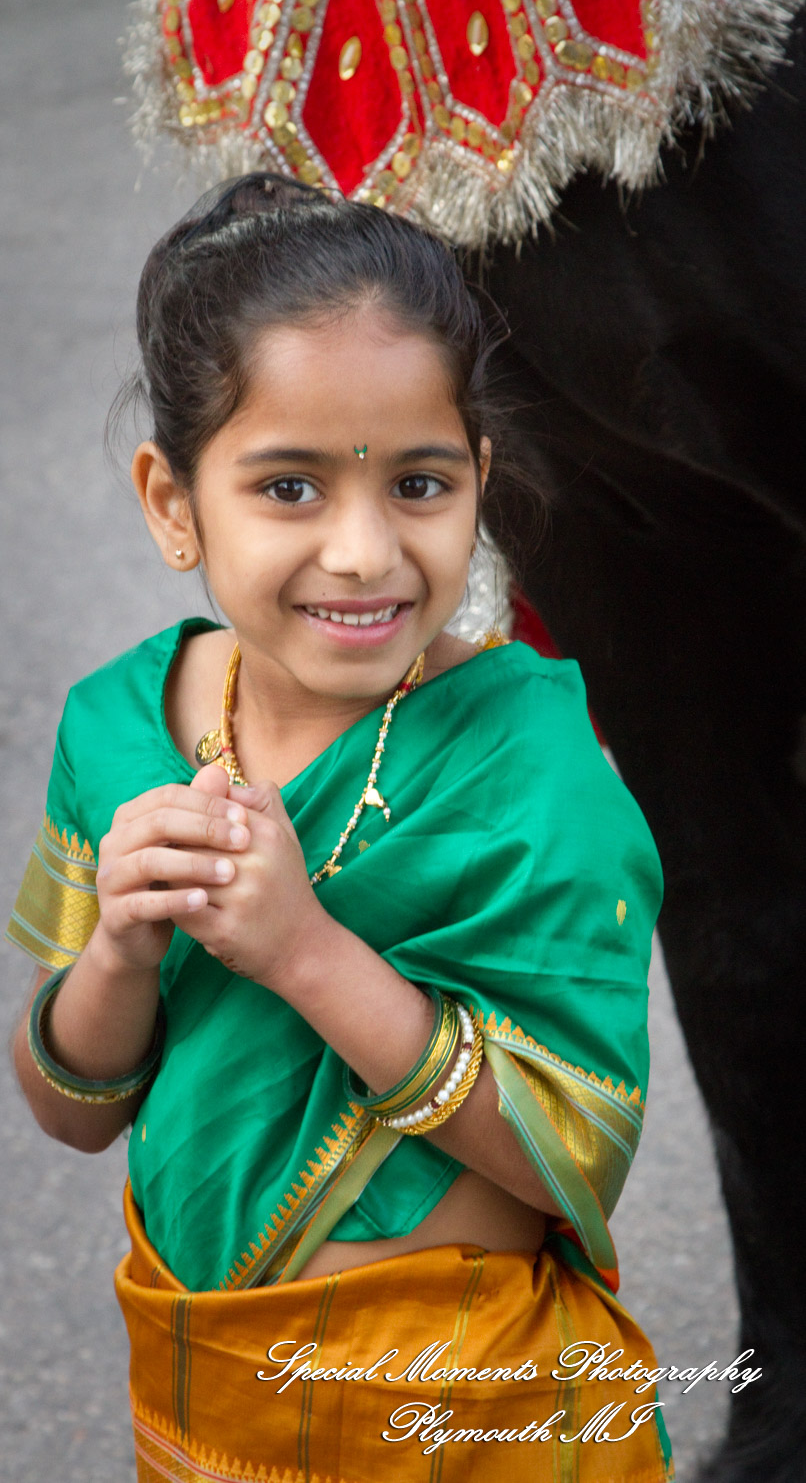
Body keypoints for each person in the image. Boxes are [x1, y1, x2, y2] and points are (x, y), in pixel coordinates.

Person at [7, 172, 673, 1482]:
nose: (366, 552)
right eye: (291, 488)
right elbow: (71, 1111)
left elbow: (571, 1152)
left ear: (479, 478)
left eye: (417, 482)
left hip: (472, 1419)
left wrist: (304, 952)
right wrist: (120, 957)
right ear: (172, 500)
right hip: (211, 1407)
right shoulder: (118, 730)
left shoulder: (527, 760)